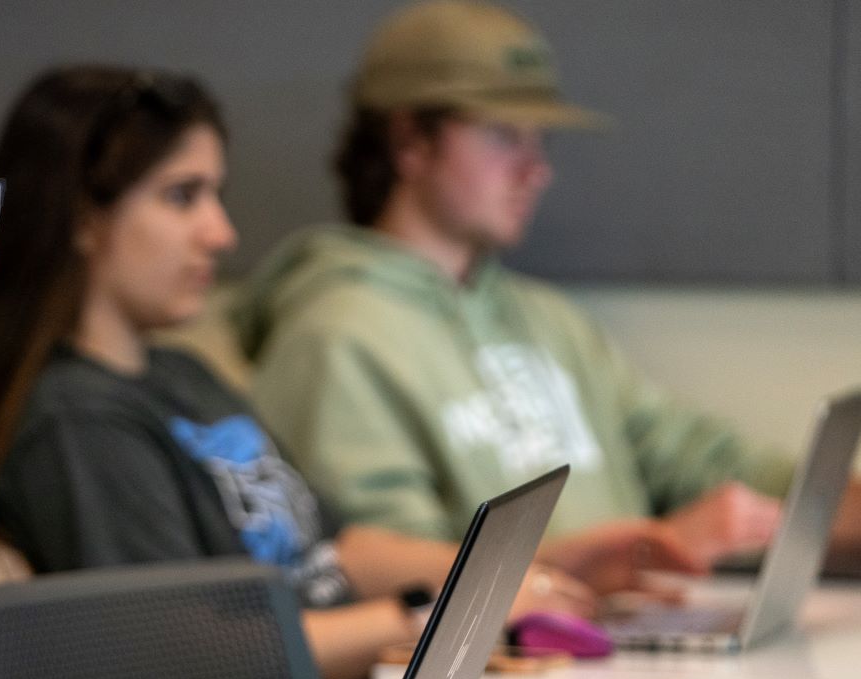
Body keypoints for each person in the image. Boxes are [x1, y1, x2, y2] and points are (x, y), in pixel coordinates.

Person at [0, 65, 595, 679]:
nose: (221, 233)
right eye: (183, 196)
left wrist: (514, 575)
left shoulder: (182, 374)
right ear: (83, 216)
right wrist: (443, 620)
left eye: (216, 195)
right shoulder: (75, 420)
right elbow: (192, 659)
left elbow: (331, 549)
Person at [230, 0, 799, 594]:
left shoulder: (547, 318)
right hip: (504, 677)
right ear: (410, 142)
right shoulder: (334, 336)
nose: (537, 170)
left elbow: (694, 453)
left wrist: (818, 499)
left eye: (539, 139)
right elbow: (397, 581)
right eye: (504, 135)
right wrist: (640, 554)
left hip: (617, 656)